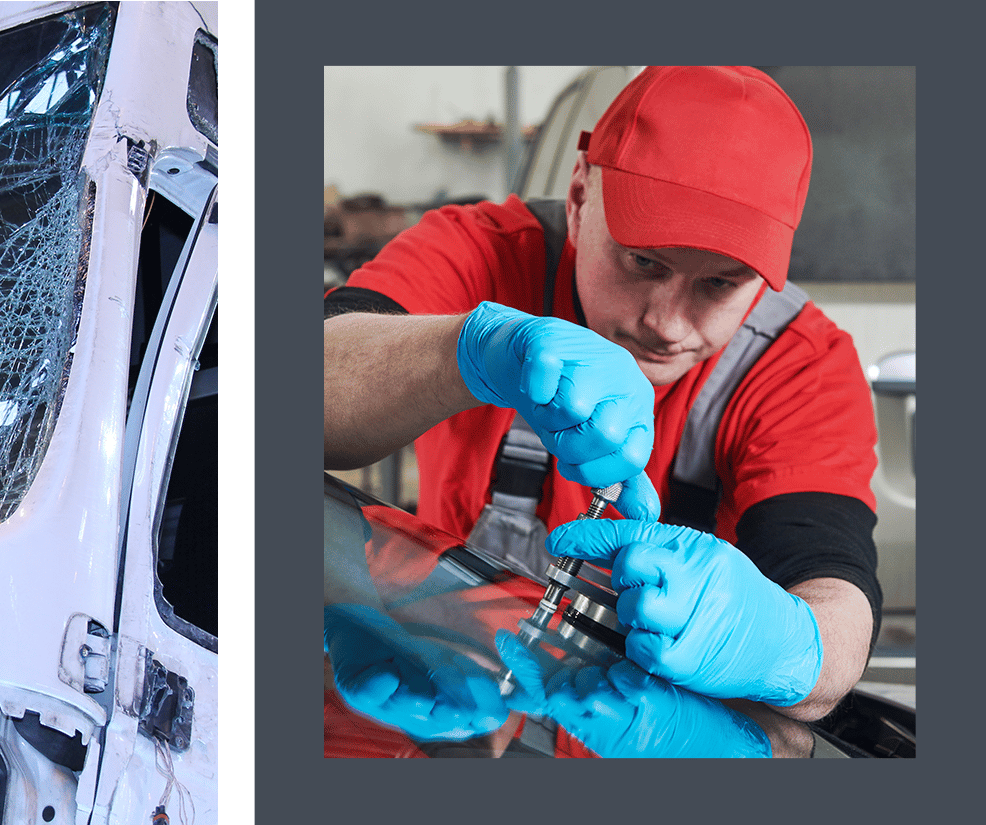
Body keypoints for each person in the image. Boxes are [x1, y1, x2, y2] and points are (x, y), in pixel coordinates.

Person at [323, 66, 882, 755]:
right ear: (582, 197)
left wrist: (787, 642)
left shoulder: (802, 364)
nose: (666, 322)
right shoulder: (482, 254)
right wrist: (466, 353)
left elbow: (837, 602)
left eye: (719, 284)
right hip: (456, 716)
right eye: (644, 262)